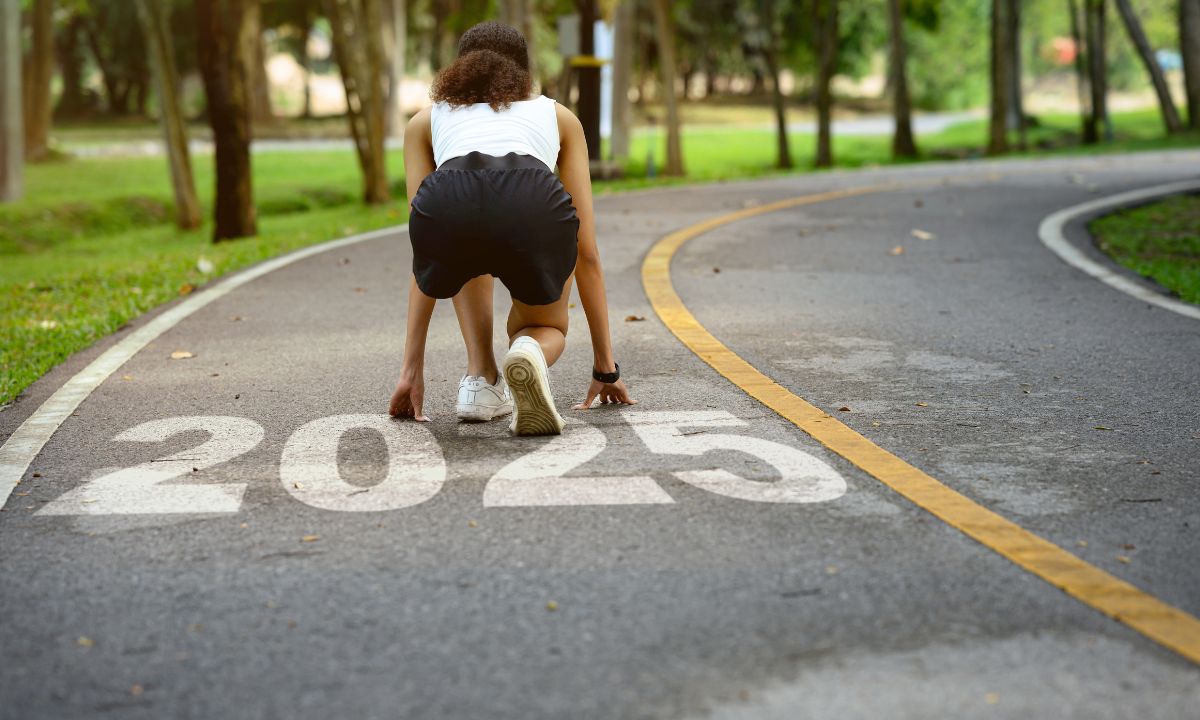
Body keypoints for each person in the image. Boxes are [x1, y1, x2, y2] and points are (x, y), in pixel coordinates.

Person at [388, 21, 635, 436]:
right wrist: (605, 367)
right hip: (532, 198)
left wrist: (410, 371)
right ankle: (529, 350)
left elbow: (427, 251)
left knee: (463, 242)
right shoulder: (558, 116)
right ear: (523, 71)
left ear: (460, 68)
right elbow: (586, 249)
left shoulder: (425, 122)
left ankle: (480, 382)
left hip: (452, 201)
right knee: (547, 325)